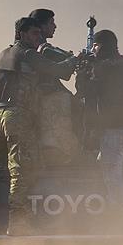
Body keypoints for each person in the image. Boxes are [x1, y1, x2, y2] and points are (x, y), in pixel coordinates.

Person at [0, 17, 78, 235]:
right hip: (17, 117)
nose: (39, 38)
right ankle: (17, 223)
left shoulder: (5, 53)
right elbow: (59, 72)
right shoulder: (27, 53)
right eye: (35, 34)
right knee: (22, 170)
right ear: (23, 34)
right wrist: (75, 60)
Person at [75, 29, 123, 209]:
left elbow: (87, 92)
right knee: (107, 165)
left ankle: (117, 215)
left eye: (95, 46)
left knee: (112, 176)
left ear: (100, 46)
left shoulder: (103, 67)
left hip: (115, 129)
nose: (94, 50)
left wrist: (83, 71)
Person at [28, 9, 81, 165]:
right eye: (51, 23)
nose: (55, 26)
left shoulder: (36, 48)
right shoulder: (41, 49)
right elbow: (61, 70)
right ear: (41, 26)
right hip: (48, 101)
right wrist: (76, 58)